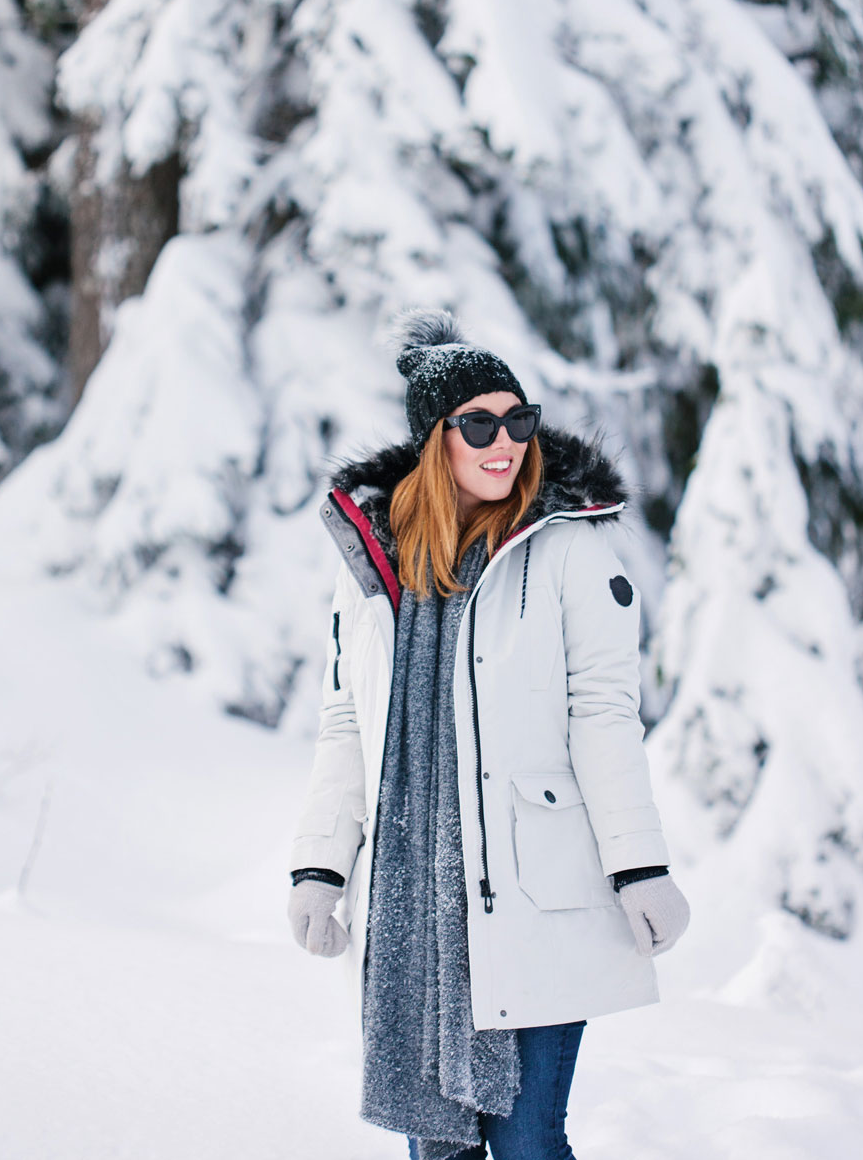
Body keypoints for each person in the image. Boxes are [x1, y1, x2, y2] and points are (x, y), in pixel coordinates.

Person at [287, 309, 690, 1160]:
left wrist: (641, 866)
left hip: (536, 896)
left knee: (528, 1144)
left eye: (519, 420)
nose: (504, 441)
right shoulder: (374, 562)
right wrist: (321, 866)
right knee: (441, 1148)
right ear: (438, 439)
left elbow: (605, 720)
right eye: (479, 423)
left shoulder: (570, 551)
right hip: (417, 904)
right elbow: (347, 722)